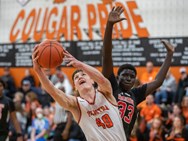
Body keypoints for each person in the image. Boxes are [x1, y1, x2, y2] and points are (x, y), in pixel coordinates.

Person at [102, 6, 174, 139]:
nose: (129, 78)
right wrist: (110, 25)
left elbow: (158, 81)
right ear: (117, 77)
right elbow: (107, 55)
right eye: (125, 75)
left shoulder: (135, 94)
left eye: (132, 76)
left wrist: (169, 54)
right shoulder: (112, 86)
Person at [32, 46, 127, 141]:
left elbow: (102, 80)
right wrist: (38, 71)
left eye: (83, 74)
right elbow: (53, 91)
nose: (80, 77)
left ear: (93, 81)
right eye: (76, 77)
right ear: (75, 87)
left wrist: (80, 65)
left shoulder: (105, 93)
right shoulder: (76, 105)